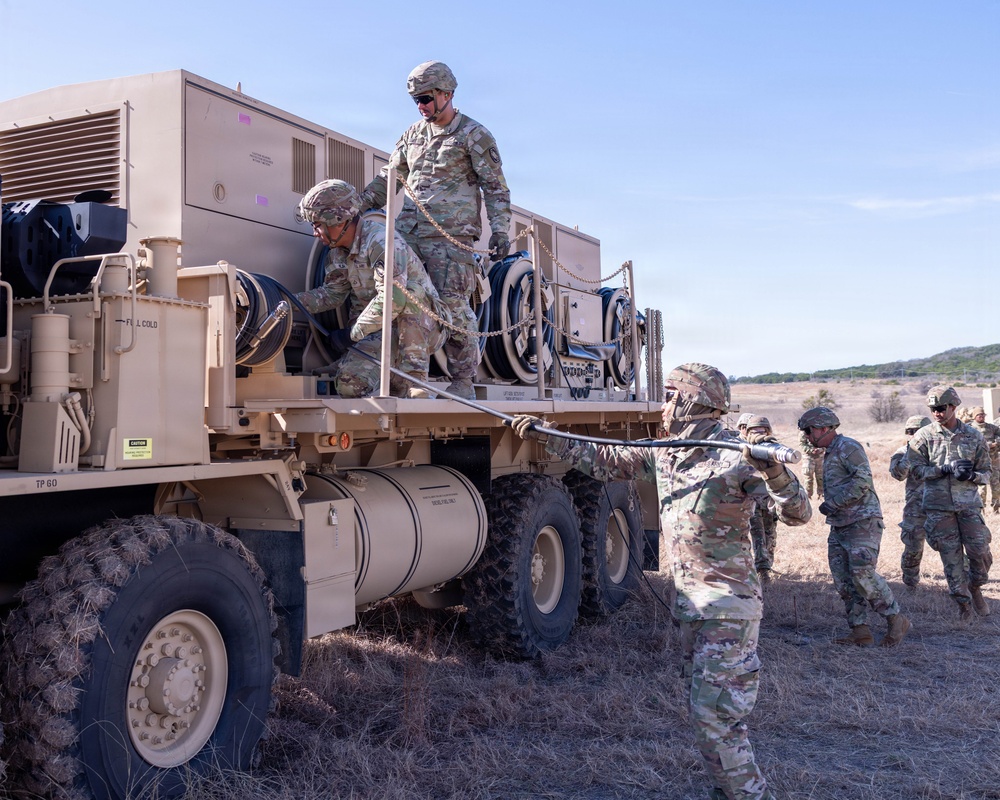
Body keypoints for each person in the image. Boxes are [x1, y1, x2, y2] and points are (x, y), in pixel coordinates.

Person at [512, 363, 811, 800]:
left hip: (728, 607)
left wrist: (773, 471)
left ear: (696, 401)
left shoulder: (735, 456)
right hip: (691, 605)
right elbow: (606, 460)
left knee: (716, 716)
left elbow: (798, 513)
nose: (665, 404)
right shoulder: (668, 450)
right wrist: (546, 434)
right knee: (706, 713)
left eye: (673, 395)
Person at [360, 61, 512, 400]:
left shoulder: (474, 135)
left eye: (427, 98)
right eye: (416, 100)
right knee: (404, 300)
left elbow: (496, 188)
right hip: (410, 234)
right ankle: (408, 377)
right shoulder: (412, 135)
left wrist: (500, 230)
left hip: (450, 239)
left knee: (453, 305)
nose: (422, 106)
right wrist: (359, 205)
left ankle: (463, 380)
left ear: (447, 94)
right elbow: (390, 178)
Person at [295, 179, 449, 399]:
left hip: (423, 328)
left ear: (337, 219)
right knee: (349, 386)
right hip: (381, 330)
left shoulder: (381, 242)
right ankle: (392, 376)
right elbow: (332, 295)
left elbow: (393, 298)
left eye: (317, 224)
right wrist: (291, 302)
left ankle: (415, 379)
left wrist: (352, 334)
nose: (315, 233)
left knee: (409, 293)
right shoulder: (338, 253)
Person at [797, 406, 910, 647]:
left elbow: (863, 481)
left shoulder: (848, 447)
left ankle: (896, 619)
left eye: (809, 430)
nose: (807, 436)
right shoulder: (830, 452)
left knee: (862, 574)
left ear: (824, 428)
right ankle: (860, 632)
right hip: (840, 524)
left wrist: (835, 503)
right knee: (844, 580)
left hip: (862, 522)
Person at [906, 386, 993, 620]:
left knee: (980, 551)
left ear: (954, 407)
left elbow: (987, 471)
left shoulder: (973, 436)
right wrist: (941, 470)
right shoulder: (923, 436)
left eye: (941, 408)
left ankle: (975, 586)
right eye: (933, 409)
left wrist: (972, 476)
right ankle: (963, 605)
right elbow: (914, 470)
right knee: (951, 557)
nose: (936, 413)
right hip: (938, 507)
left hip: (968, 505)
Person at [889, 415, 932, 588]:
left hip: (941, 505)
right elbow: (898, 474)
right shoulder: (902, 451)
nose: (914, 435)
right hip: (916, 507)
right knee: (913, 545)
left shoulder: (940, 450)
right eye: (911, 432)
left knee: (951, 545)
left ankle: (962, 583)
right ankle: (910, 582)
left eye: (918, 432)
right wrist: (910, 454)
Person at [745, 415, 779, 583]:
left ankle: (767, 565)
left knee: (770, 535)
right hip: (752, 501)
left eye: (762, 431)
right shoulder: (743, 450)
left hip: (769, 500)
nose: (758, 434)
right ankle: (762, 571)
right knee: (758, 535)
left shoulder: (774, 449)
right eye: (754, 431)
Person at [968, 406, 1000, 513]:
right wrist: (988, 444)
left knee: (996, 486)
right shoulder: (970, 429)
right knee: (981, 489)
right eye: (979, 415)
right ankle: (981, 510)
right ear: (974, 417)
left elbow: (999, 435)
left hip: (993, 461)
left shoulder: (992, 427)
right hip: (979, 464)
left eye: (982, 415)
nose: (981, 417)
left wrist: (997, 442)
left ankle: (996, 508)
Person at [798, 428, 825, 499]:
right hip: (809, 457)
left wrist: (821, 449)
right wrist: (810, 450)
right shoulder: (804, 431)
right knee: (808, 477)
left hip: (820, 457)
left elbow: (826, 442)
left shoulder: (822, 429)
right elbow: (802, 444)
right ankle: (808, 496)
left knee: (821, 477)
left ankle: (821, 495)